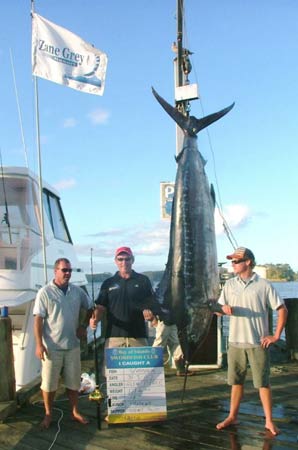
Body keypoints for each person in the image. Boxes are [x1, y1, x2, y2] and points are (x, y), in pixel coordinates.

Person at [214, 247, 288, 435]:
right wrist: (224, 309)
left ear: (248, 262)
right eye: (232, 261)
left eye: (237, 261)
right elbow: (218, 309)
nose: (233, 264)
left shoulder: (263, 285)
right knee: (235, 381)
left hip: (257, 343)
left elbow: (282, 309)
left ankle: (269, 421)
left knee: (263, 383)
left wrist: (276, 335)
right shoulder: (229, 285)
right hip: (235, 342)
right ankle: (232, 416)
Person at [33, 258, 93, 429]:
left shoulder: (76, 291)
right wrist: (39, 344)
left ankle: (74, 412)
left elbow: (90, 307)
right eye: (64, 270)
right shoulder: (45, 292)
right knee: (49, 384)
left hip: (73, 346)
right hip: (51, 348)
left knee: (73, 383)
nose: (67, 273)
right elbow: (38, 320)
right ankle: (48, 414)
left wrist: (83, 325)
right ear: (55, 271)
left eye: (69, 270)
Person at [90, 246, 162, 352]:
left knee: (141, 368)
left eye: (127, 259)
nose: (124, 262)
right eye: (120, 259)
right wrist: (94, 319)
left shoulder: (143, 280)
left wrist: (152, 317)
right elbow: (100, 307)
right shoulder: (108, 283)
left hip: (138, 336)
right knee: (111, 369)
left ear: (132, 260)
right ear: (115, 261)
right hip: (113, 338)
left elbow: (152, 304)